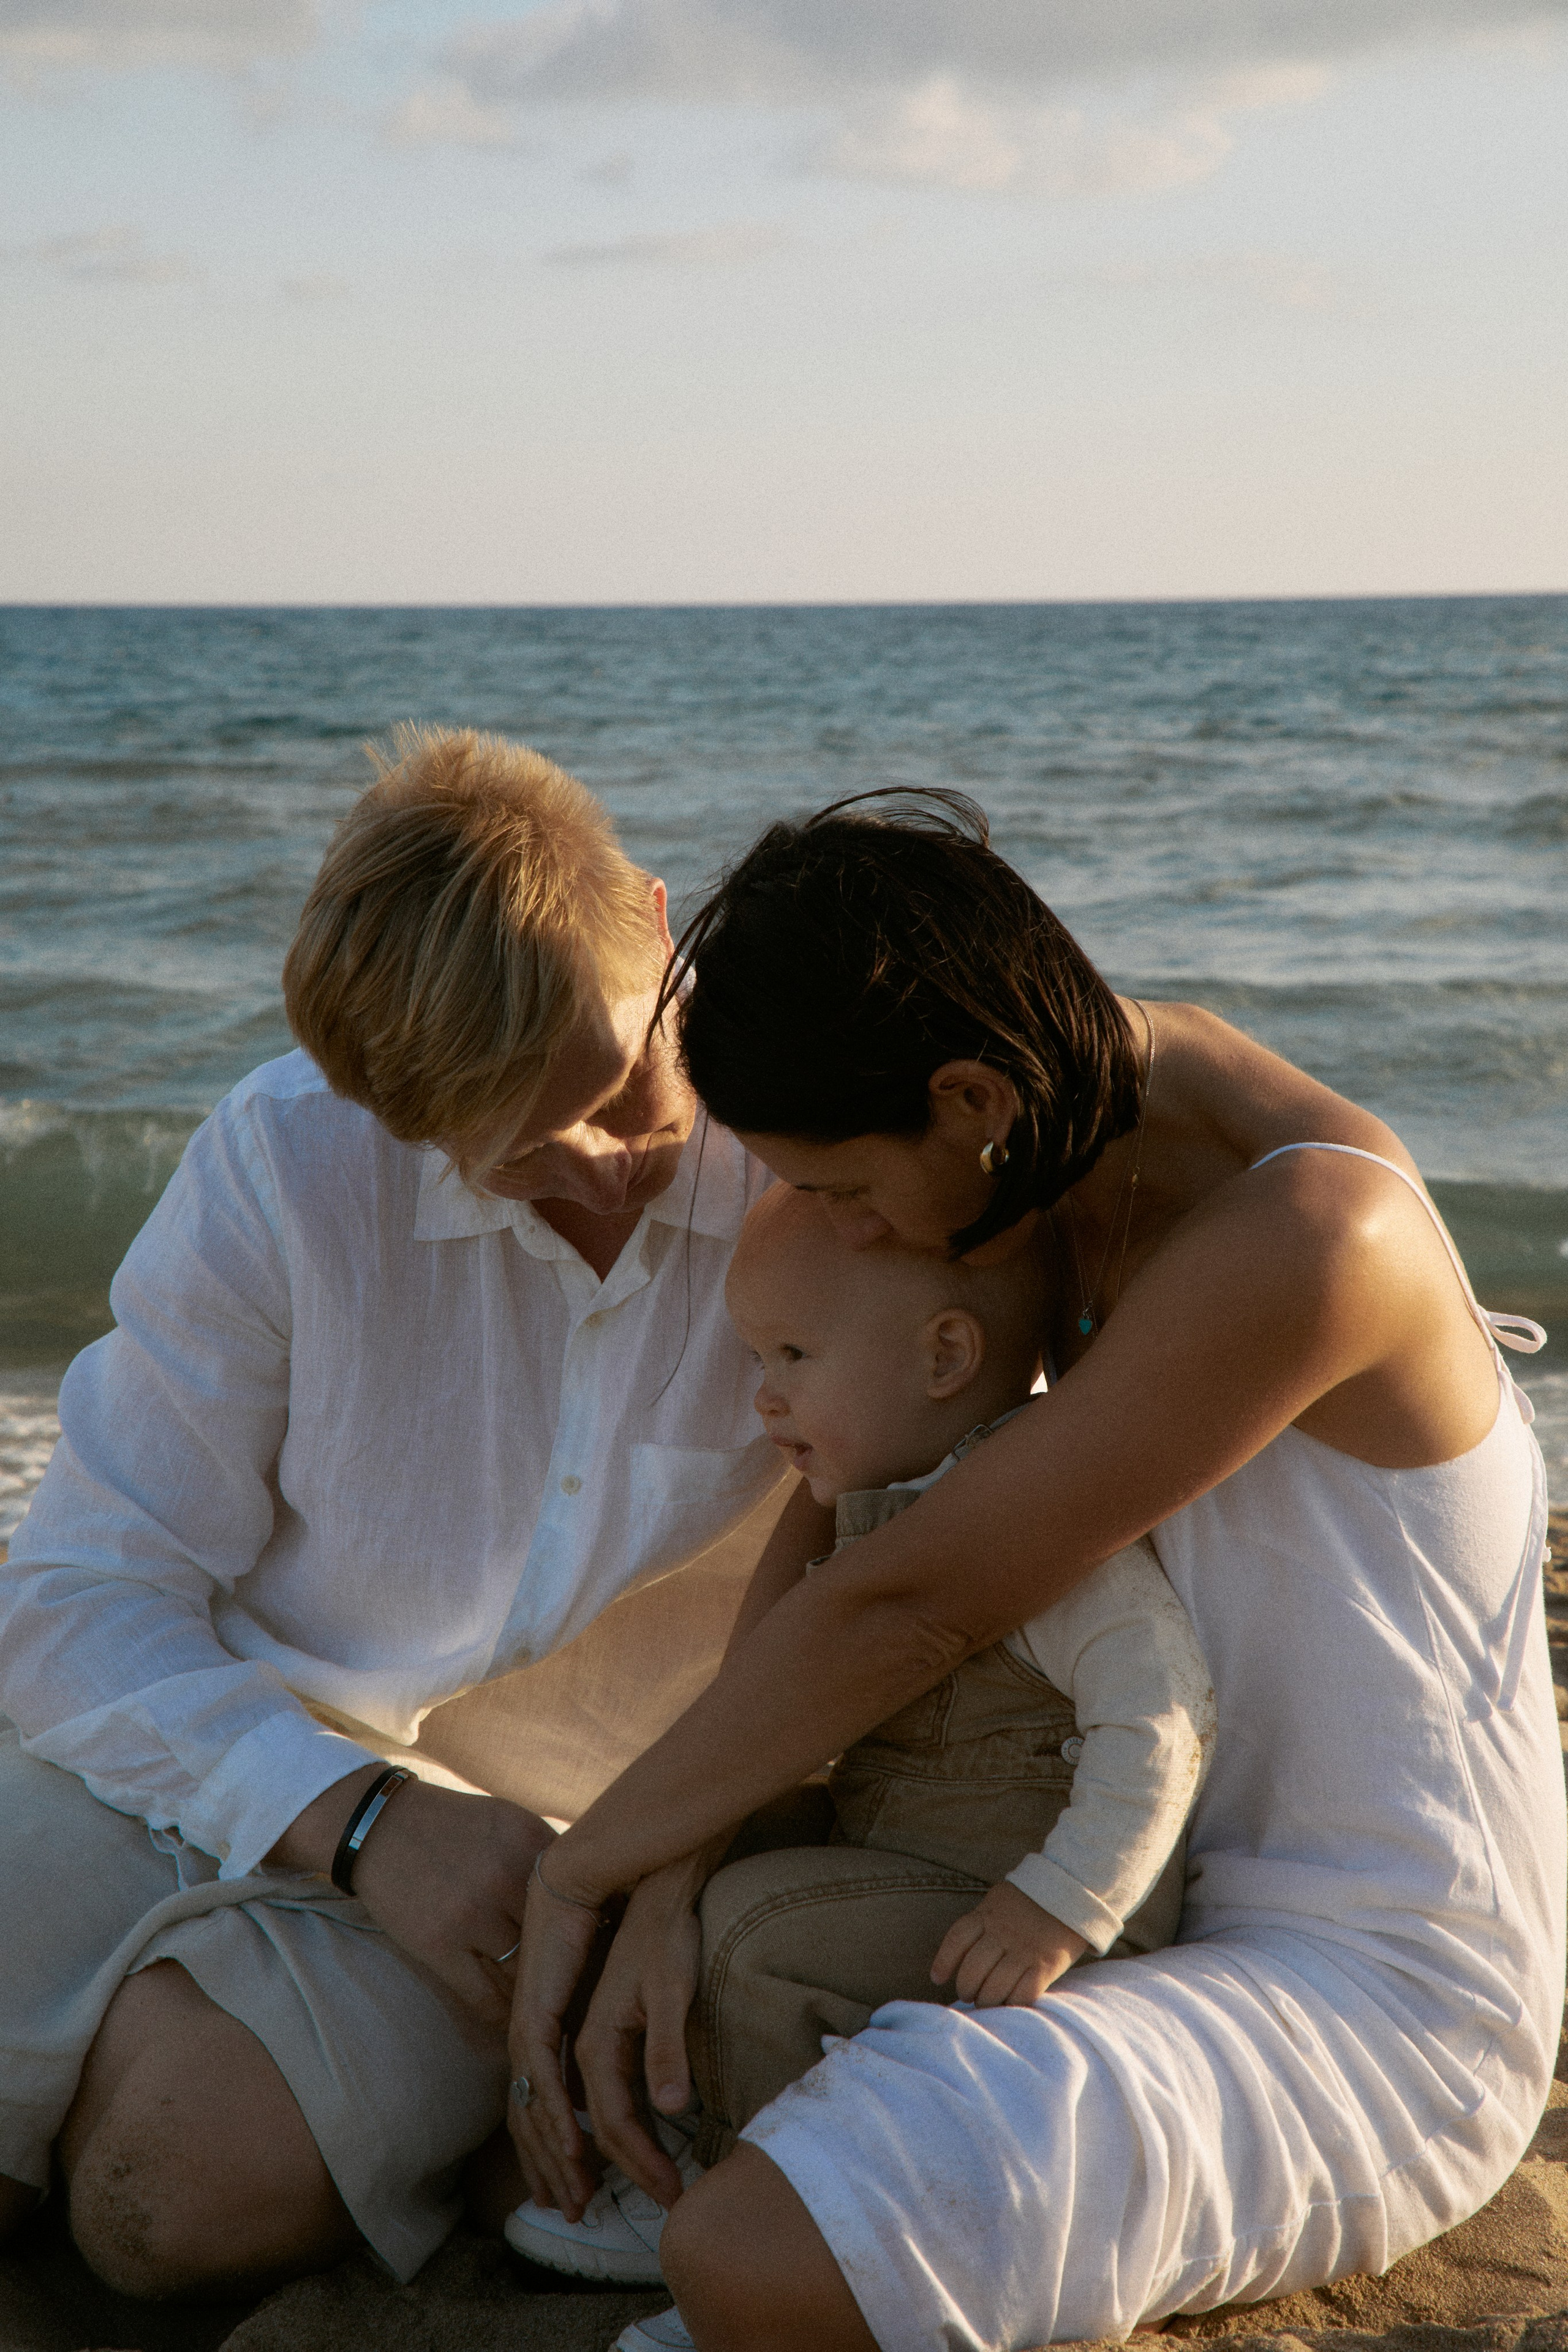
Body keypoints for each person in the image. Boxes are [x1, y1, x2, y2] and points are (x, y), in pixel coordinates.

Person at [509, 792, 1560, 2352]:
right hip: (1129, 1902)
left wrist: (582, 1865)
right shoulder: (1059, 1138)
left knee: (753, 2258)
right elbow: (859, 1504)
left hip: (1378, 1993)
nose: (843, 1234)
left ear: (968, 1097)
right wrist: (666, 1860)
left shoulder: (1313, 1233)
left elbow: (921, 1595)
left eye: (849, 1196)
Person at [0, 728, 809, 2300]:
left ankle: (188, 2038)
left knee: (163, 2203)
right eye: (511, 1154)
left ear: (654, 920)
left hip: (548, 1862)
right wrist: (353, 1822)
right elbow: (77, 1599)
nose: (598, 1168)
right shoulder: (293, 1158)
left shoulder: (819, 1157)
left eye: (621, 1086)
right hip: (208, 1742)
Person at [508, 1185, 1213, 2287]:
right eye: (755, 1359)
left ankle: (747, 2193)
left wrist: (1061, 1902)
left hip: (1021, 1916)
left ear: (944, 1358)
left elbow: (1162, 1722)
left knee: (753, 1927)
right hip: (911, 1864)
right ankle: (676, 2129)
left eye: (792, 1354)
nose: (762, 1398)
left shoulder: (1035, 1527)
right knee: (700, 1858)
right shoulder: (880, 1512)